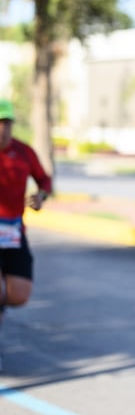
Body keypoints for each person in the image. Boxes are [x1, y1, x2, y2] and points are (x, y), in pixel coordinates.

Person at [0, 99, 51, 334]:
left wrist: (40, 196)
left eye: (6, 122)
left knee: (18, 295)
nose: (3, 128)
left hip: (13, 232)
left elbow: (44, 179)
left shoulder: (23, 152)